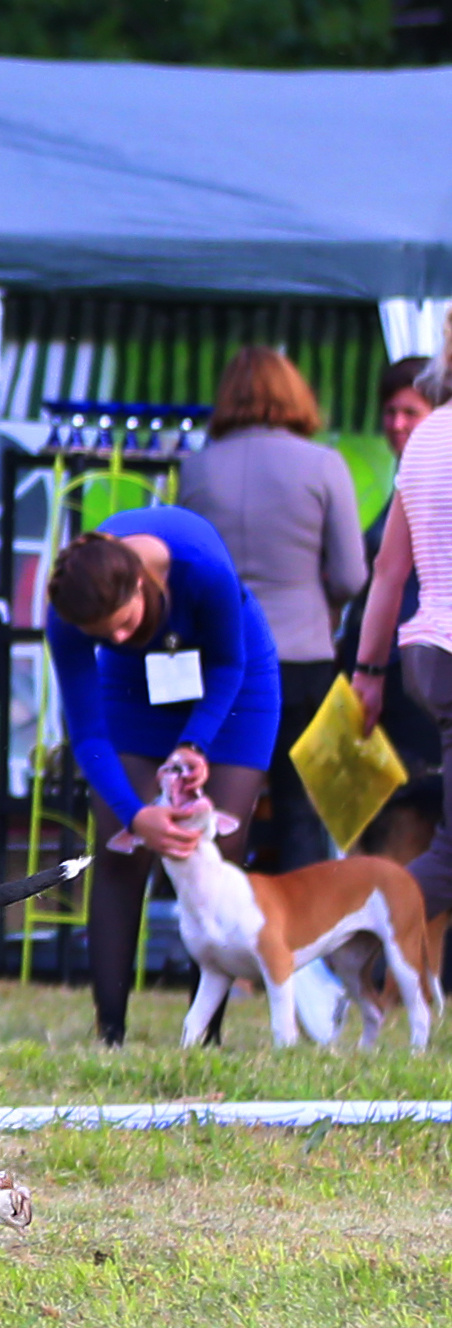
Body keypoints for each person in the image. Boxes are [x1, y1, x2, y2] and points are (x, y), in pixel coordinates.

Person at [44, 506, 280, 1045]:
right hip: (137, 689)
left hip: (232, 681)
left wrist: (195, 744)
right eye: (105, 636)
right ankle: (110, 1036)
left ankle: (205, 1038)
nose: (121, 638)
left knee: (218, 846)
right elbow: (88, 734)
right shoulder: (71, 615)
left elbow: (227, 663)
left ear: (143, 580)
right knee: (121, 848)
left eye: (126, 623)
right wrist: (135, 814)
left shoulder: (200, 567)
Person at [176, 348, 364, 870]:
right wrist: (324, 606)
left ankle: (208, 945)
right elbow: (351, 573)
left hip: (218, 662)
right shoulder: (323, 465)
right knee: (299, 808)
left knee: (215, 808)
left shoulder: (195, 470)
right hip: (302, 658)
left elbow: (187, 572)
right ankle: (299, 947)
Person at [355, 342, 452, 934]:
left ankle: (344, 929)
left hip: (425, 654)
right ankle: (343, 929)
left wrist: (368, 673)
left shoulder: (427, 438)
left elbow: (387, 571)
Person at [339, 356, 438, 772]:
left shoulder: (433, 478)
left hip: (414, 667)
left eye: (410, 412)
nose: (397, 424)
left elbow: (391, 572)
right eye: (390, 412)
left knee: (415, 805)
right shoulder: (406, 476)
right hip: (383, 663)